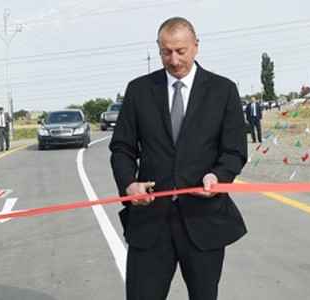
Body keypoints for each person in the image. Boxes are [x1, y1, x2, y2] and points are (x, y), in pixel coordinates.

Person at [109, 17, 248, 300]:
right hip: (150, 222)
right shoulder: (139, 91)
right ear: (158, 49)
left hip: (202, 220)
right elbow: (122, 148)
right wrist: (129, 186)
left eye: (181, 51)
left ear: (196, 46)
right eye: (166, 52)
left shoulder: (223, 91)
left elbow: (234, 151)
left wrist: (218, 177)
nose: (174, 60)